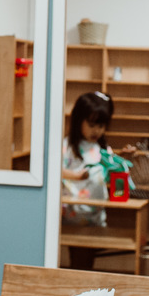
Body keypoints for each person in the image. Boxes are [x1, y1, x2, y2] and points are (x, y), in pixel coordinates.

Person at [60, 91, 115, 269]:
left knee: (87, 263)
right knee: (79, 261)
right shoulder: (67, 146)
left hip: (96, 215)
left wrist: (121, 161)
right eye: (91, 125)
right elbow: (54, 170)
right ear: (78, 121)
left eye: (101, 126)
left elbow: (110, 171)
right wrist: (75, 175)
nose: (96, 131)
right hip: (73, 216)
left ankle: (84, 295)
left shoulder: (102, 147)